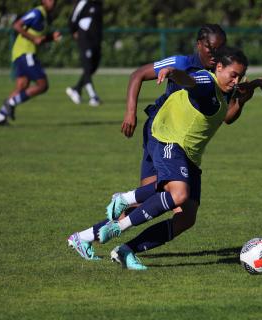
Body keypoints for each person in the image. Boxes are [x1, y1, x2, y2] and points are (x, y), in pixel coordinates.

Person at [68, 46, 262, 270]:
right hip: (171, 141)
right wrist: (172, 73)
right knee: (176, 194)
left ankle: (123, 249)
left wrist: (252, 87)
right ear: (218, 67)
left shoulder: (226, 90)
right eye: (232, 74)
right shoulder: (207, 81)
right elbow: (190, 81)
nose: (236, 80)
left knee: (186, 217)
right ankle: (123, 205)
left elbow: (227, 117)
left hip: (191, 155)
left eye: (240, 76)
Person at [68, 24, 228, 260]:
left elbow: (227, 116)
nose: (215, 54)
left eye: (220, 49)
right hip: (161, 133)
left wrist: (247, 91)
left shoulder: (221, 74)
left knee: (186, 215)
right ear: (199, 45)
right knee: (161, 199)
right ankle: (97, 238)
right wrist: (130, 112)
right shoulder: (183, 63)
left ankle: (104, 242)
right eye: (210, 48)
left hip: (186, 144)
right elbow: (138, 74)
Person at [0, 0, 61, 126]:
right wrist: (33, 38)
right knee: (42, 85)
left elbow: (39, 39)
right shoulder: (37, 13)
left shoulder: (46, 16)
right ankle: (11, 103)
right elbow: (17, 25)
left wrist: (51, 38)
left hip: (24, 53)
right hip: (25, 53)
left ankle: (0, 117)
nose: (53, 2)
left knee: (22, 86)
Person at [65, 0, 103, 107]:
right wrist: (74, 32)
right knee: (87, 67)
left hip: (96, 42)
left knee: (93, 67)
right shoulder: (83, 3)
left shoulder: (98, 4)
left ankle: (76, 89)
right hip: (85, 40)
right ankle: (93, 96)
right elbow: (73, 19)